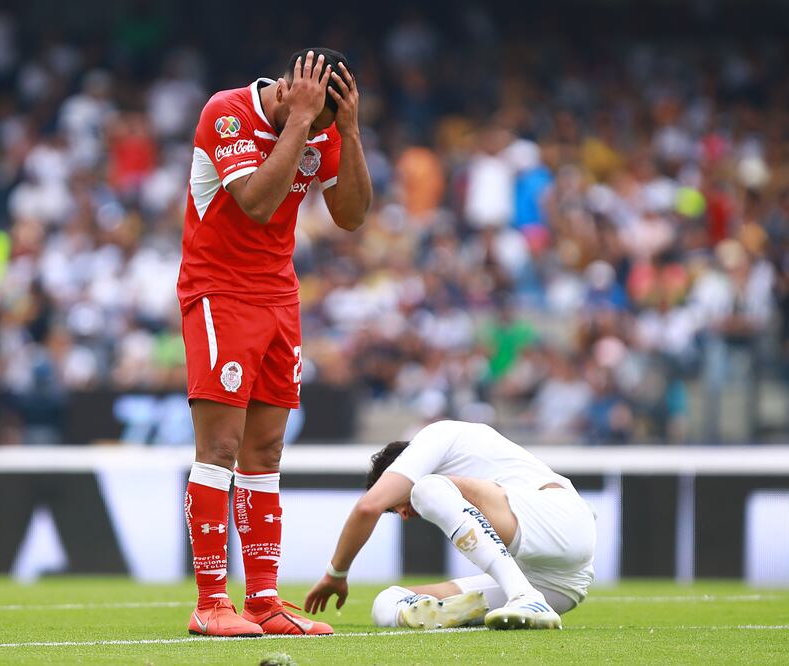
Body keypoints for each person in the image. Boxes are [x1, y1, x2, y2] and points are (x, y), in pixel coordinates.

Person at [177, 48, 372, 637]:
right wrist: (299, 123)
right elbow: (258, 205)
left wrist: (349, 131)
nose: (317, 133)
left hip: (278, 299)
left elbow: (353, 215)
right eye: (314, 114)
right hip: (218, 293)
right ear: (289, 85)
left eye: (324, 124)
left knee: (264, 454)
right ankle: (211, 602)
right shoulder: (228, 112)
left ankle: (262, 600)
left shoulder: (324, 126)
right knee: (220, 447)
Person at [304, 420, 596, 631]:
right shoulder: (464, 468)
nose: (404, 515)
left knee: (426, 489)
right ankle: (517, 600)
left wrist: (336, 574)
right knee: (389, 602)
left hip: (561, 518)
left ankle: (526, 598)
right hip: (561, 585)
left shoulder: (435, 436)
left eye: (396, 507)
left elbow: (368, 507)